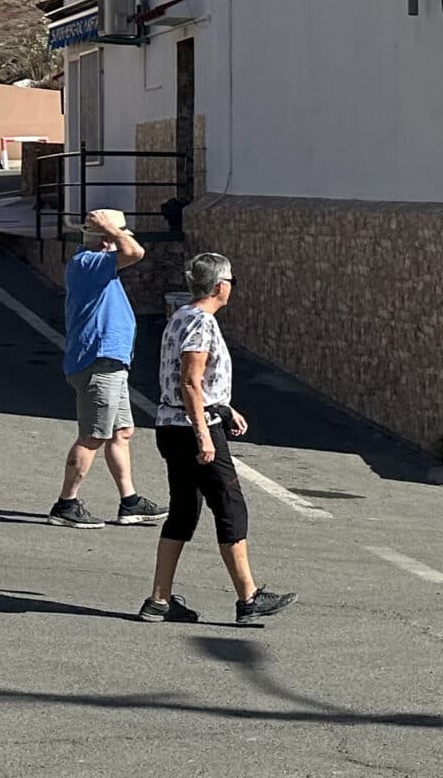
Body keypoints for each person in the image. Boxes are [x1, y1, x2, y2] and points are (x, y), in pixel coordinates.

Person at [140, 253, 294, 627]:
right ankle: (249, 597)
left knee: (183, 511)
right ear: (219, 286)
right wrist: (204, 435)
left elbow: (197, 383)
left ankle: (159, 600)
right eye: (232, 282)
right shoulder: (201, 323)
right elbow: (190, 381)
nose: (231, 288)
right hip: (192, 430)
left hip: (173, 425)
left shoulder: (181, 316)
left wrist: (225, 408)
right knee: (230, 508)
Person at [50, 210, 164, 528]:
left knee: (120, 432)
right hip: (98, 363)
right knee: (92, 436)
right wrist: (113, 230)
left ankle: (130, 502)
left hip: (111, 364)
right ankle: (65, 504)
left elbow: (130, 249)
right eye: (118, 234)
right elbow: (135, 252)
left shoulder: (97, 267)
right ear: (106, 239)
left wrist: (110, 231)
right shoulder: (89, 263)